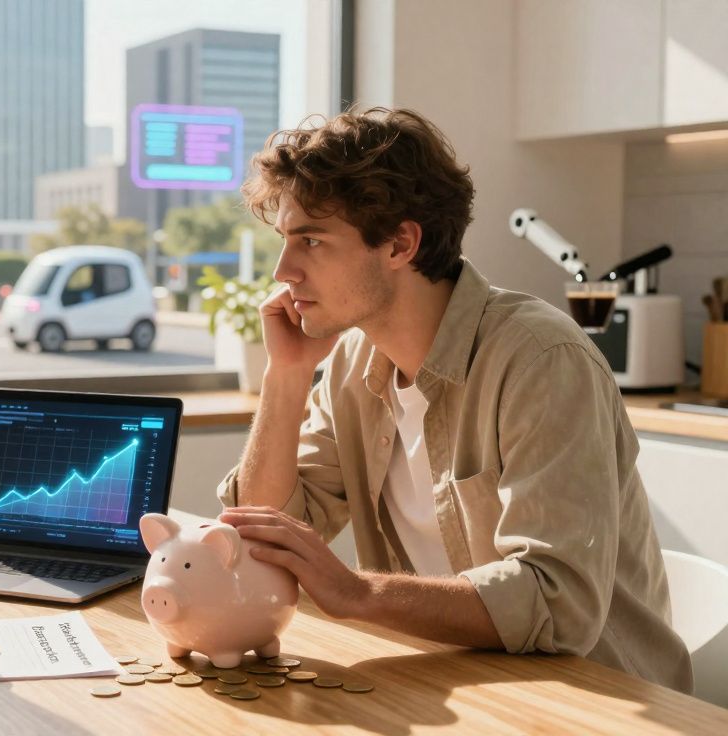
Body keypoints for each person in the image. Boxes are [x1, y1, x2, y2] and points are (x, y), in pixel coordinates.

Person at [216, 107, 693, 692]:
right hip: (455, 678)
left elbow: (557, 602)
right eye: (285, 241)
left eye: (310, 240)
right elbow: (264, 534)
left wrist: (359, 593)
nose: (282, 271)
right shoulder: (349, 364)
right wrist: (285, 377)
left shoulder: (541, 359)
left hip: (593, 699)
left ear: (401, 243)